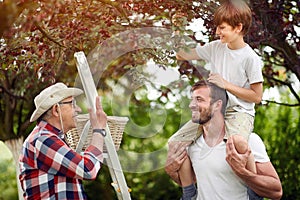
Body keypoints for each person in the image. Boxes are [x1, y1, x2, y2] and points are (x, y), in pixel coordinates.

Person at [169, 0, 264, 199]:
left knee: (240, 143)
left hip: (238, 112)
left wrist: (225, 84)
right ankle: (189, 193)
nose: (217, 32)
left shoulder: (250, 58)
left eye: (222, 28)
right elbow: (181, 54)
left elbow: (257, 96)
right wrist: (173, 32)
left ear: (238, 28)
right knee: (175, 143)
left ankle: (254, 192)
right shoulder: (215, 48)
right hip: (215, 111)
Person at [165, 80, 282, 200]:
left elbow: (276, 192)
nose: (191, 105)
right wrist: (171, 172)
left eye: (199, 99)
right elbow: (195, 181)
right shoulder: (191, 145)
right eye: (192, 99)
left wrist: (243, 173)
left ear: (217, 105)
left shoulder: (248, 140)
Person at [19, 82, 107, 199]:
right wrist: (98, 130)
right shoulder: (43, 140)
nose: (79, 109)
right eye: (72, 104)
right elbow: (88, 169)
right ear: (56, 110)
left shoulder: (51, 138)